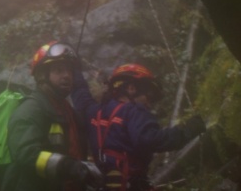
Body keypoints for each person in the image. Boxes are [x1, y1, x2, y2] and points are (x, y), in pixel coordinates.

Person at [71, 63, 207, 191]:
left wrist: (74, 69)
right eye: (149, 96)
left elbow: (80, 94)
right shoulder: (134, 111)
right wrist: (187, 131)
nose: (149, 103)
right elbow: (150, 140)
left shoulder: (94, 112)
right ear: (131, 89)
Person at [1, 41, 103, 191]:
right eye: (58, 70)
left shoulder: (70, 112)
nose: (67, 75)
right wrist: (67, 166)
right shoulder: (30, 110)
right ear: (42, 75)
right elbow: (26, 154)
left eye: (69, 71)